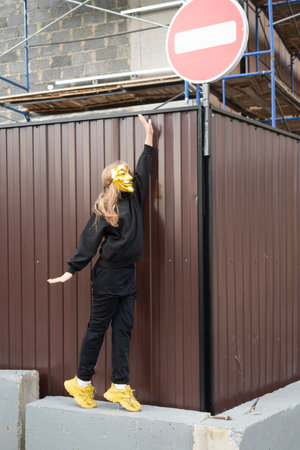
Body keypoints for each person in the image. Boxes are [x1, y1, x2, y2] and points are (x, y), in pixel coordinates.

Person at [47, 114, 154, 412]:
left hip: (128, 277)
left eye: (127, 171)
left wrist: (149, 136)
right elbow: (89, 242)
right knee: (97, 329)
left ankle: (119, 387)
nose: (128, 174)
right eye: (122, 172)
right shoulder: (105, 208)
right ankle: (81, 384)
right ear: (112, 180)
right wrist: (71, 270)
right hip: (107, 276)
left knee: (124, 330)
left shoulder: (135, 198)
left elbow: (145, 166)